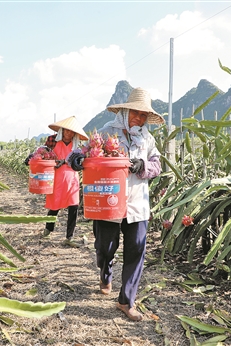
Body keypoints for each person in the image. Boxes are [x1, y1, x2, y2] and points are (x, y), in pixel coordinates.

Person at [68, 87, 164, 321]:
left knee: (136, 250)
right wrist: (78, 160)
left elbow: (157, 165)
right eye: (136, 113)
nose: (139, 118)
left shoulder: (147, 138)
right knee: (105, 247)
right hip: (107, 202)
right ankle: (105, 271)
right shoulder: (104, 132)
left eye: (143, 115)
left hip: (137, 204)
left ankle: (126, 301)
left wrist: (143, 166)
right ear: (125, 110)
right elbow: (78, 153)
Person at [41, 116, 88, 248]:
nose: (69, 134)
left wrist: (76, 163)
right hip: (57, 178)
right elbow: (44, 153)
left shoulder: (78, 146)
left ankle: (69, 237)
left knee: (73, 207)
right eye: (66, 131)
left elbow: (82, 162)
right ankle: (48, 230)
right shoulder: (53, 141)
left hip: (72, 180)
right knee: (54, 206)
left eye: (71, 132)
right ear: (62, 130)